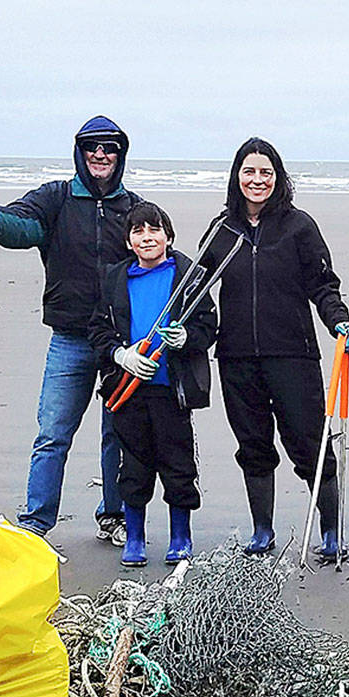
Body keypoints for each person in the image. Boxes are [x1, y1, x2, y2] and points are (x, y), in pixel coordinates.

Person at [0, 116, 142, 542]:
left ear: (121, 155)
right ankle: (36, 523)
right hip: (70, 338)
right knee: (53, 432)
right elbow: (20, 227)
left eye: (110, 147)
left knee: (118, 433)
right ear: (80, 152)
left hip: (121, 343)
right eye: (92, 147)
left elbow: (156, 255)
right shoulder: (56, 198)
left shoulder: (132, 207)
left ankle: (114, 516)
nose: (101, 154)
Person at [199, 137, 349, 559]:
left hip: (293, 353)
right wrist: (190, 332)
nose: (257, 180)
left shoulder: (299, 226)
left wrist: (338, 320)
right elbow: (193, 290)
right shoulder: (221, 230)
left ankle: (329, 529)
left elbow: (323, 284)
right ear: (237, 177)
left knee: (308, 443)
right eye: (249, 172)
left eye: (265, 172)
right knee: (252, 444)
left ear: (278, 177)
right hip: (235, 356)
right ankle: (262, 531)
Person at [88, 203, 217, 567]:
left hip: (172, 390)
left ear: (169, 237)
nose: (147, 237)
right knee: (134, 465)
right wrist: (120, 355)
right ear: (129, 241)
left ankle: (180, 536)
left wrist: (187, 337)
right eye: (138, 231)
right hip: (128, 389)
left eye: (154, 230)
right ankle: (135, 536)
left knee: (178, 463)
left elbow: (209, 324)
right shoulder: (115, 279)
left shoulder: (188, 276)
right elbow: (97, 330)